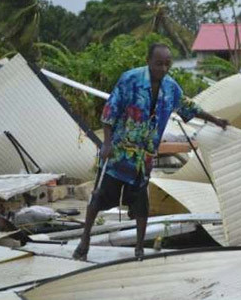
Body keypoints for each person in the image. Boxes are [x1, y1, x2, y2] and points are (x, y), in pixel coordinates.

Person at [73, 43, 228, 260]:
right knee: (99, 198)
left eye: (167, 64)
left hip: (143, 158)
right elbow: (110, 111)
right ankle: (85, 240)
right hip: (119, 153)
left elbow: (189, 107)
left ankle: (139, 249)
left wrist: (216, 120)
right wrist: (106, 143)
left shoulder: (171, 88)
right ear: (148, 61)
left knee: (141, 204)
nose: (163, 69)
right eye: (158, 64)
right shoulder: (130, 79)